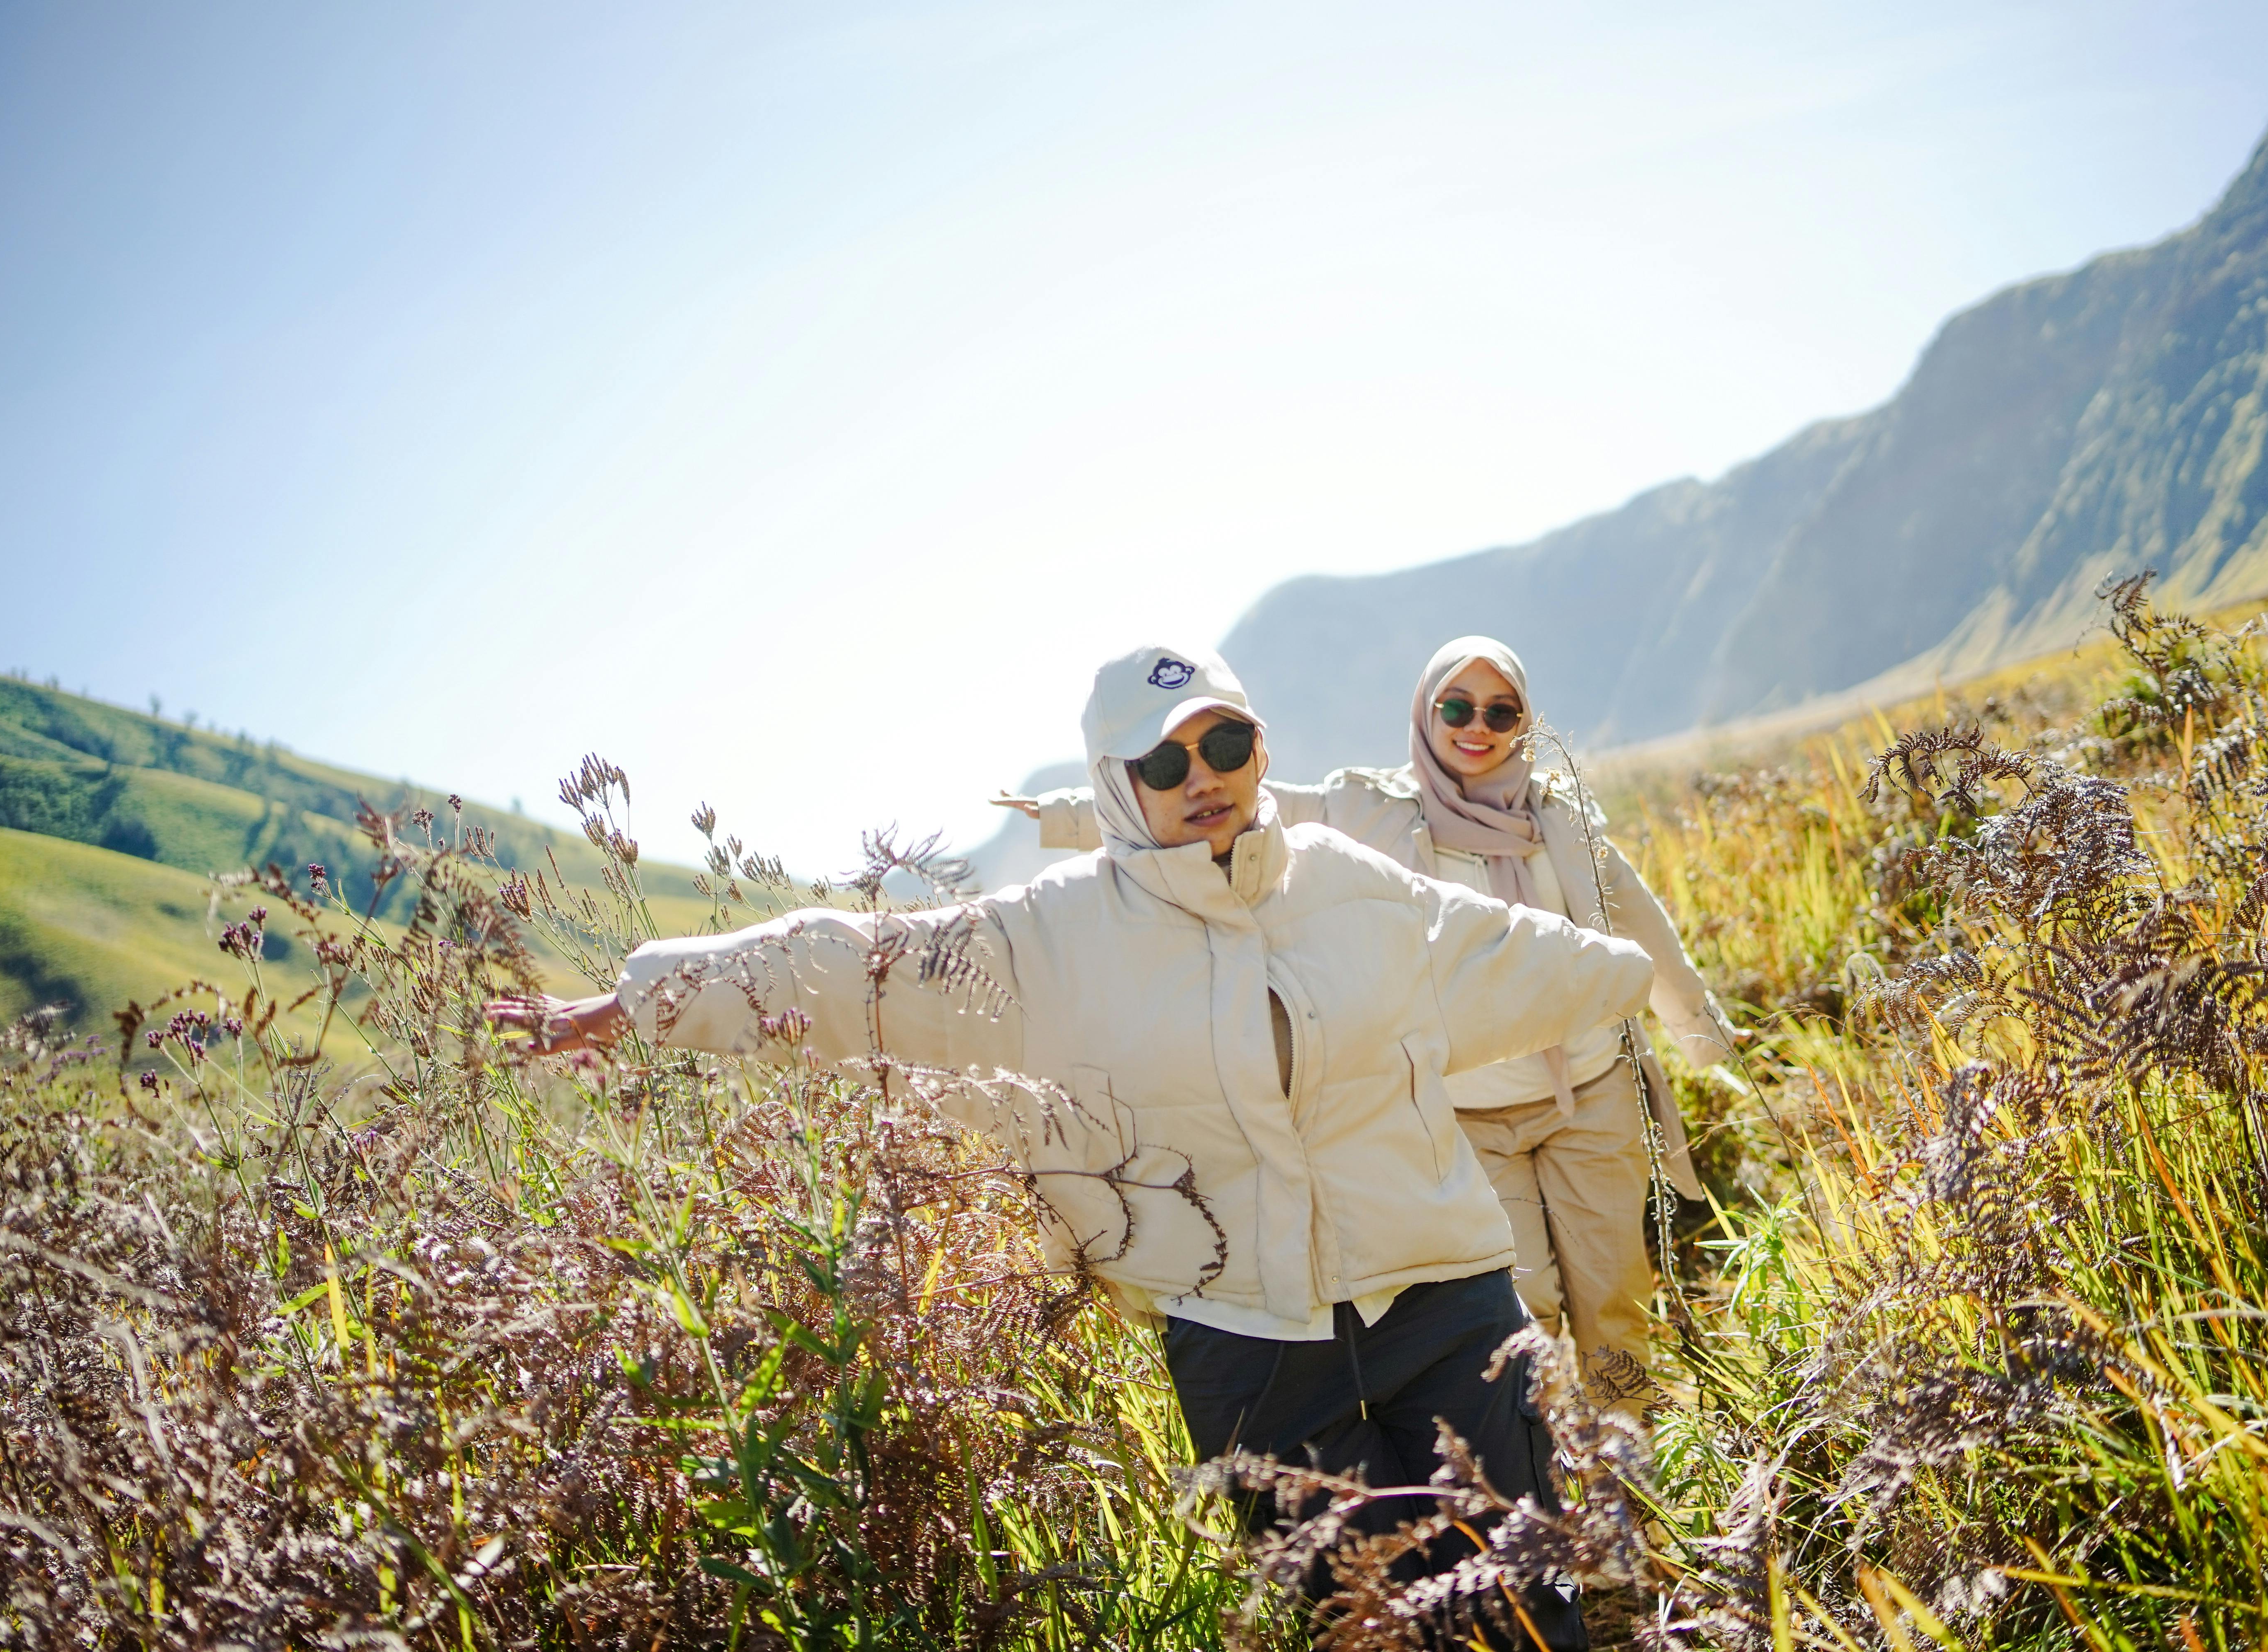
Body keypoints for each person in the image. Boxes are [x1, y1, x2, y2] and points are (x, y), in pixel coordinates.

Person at [489, 643, 1654, 1650]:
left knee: (1524, 1608)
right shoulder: (1048, 940)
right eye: (1163, 763)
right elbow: (858, 965)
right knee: (1363, 1626)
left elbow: (1511, 955)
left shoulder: (1353, 885)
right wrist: (655, 996)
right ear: (1115, 784)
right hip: (1250, 1350)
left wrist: (1630, 979)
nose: (1203, 779)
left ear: (1261, 748)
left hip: (1451, 1310)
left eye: (1227, 744)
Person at [1001, 636, 1739, 1414]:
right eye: (1456, 708)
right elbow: (1227, 795)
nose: (1476, 727)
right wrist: (1065, 815)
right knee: (1528, 1312)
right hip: (1468, 1117)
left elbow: (1642, 931)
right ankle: (1557, 1492)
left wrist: (1703, 1034)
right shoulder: (1377, 809)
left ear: (1525, 721)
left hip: (1591, 1096)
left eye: (1501, 711)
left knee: (1616, 1298)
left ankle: (1633, 1483)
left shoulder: (1562, 821)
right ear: (1426, 714)